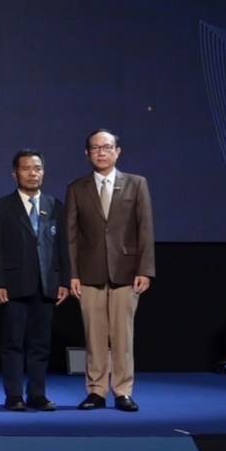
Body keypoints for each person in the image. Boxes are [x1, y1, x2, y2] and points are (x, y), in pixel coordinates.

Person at [66, 130, 155, 412]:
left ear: (118, 151)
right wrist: (73, 273)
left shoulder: (137, 184)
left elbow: (145, 228)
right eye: (95, 148)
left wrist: (145, 269)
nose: (101, 152)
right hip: (88, 272)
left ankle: (123, 391)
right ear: (87, 154)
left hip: (126, 272)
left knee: (122, 336)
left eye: (107, 147)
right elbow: (71, 235)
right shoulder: (77, 188)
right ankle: (96, 391)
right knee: (94, 336)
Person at [0, 150, 69, 412]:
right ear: (15, 174)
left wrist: (63, 280)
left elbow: (62, 246)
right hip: (13, 286)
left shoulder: (54, 205)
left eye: (38, 168)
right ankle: (14, 395)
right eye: (27, 168)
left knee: (40, 344)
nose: (33, 173)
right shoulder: (1, 207)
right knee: (13, 343)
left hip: (46, 284)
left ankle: (37, 394)